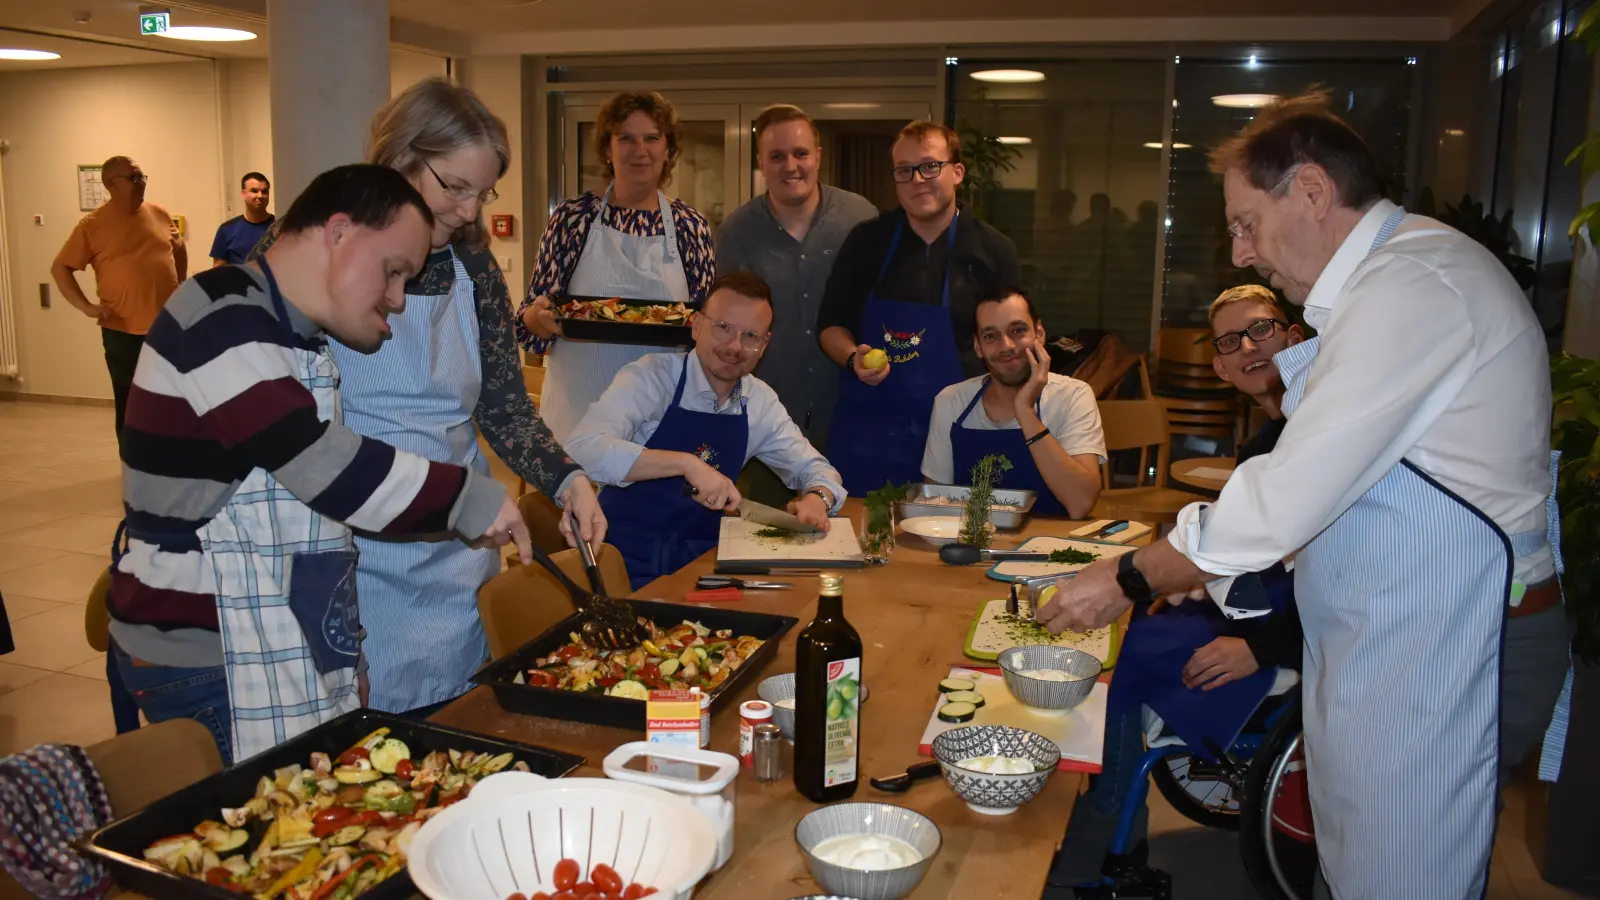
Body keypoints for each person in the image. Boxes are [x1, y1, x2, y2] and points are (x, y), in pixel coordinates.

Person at [1036, 93, 1569, 900]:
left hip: (1456, 638)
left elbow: (1286, 493)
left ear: (1313, 192)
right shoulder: (1378, 290)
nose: (1243, 255)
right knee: (1352, 866)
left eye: (1247, 224)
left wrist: (1126, 578)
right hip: (1394, 634)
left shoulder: (1416, 285)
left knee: (1401, 877)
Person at [108, 164, 533, 764]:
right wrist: (471, 497)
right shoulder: (218, 312)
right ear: (338, 232)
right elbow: (320, 467)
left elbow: (314, 538)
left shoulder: (299, 339)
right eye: (392, 272)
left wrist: (345, 657)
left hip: (284, 636)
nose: (396, 298)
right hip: (208, 655)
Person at [255, 78, 606, 717]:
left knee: (459, 723)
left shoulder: (473, 272)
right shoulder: (313, 267)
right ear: (399, 159)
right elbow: (300, 441)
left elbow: (503, 406)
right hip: (352, 547)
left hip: (457, 548)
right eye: (456, 186)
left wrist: (566, 479)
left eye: (484, 191)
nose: (471, 211)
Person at [1047, 283, 1304, 892]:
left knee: (1126, 662)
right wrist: (1185, 582)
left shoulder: (1312, 439)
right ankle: (1110, 818)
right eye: (1230, 341)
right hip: (1255, 613)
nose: (1249, 348)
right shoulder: (1264, 442)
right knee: (1121, 639)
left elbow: (1342, 579)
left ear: (1295, 337)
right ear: (1219, 364)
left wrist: (1262, 650)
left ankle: (1106, 834)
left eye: (1262, 330)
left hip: (1285, 637)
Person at [565, 272, 847, 589]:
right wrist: (686, 464)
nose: (735, 346)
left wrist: (817, 499)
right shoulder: (650, 379)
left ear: (764, 345)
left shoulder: (759, 402)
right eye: (723, 328)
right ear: (697, 325)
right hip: (621, 566)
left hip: (704, 569)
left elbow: (817, 469)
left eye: (751, 336)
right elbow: (582, 449)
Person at [817, 121, 1022, 494]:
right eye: (904, 170)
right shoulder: (867, 242)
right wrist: (852, 359)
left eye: (930, 166)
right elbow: (830, 325)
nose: (917, 180)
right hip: (869, 436)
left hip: (959, 434)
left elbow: (1011, 347)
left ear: (957, 172)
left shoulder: (993, 251)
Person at [517, 91, 717, 442]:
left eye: (652, 138)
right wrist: (542, 317)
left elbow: (705, 325)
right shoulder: (571, 218)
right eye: (625, 138)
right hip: (578, 411)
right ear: (607, 150)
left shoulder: (690, 226)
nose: (640, 150)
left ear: (668, 150)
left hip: (659, 414)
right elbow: (527, 325)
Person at [715, 104, 877, 456]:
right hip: (764, 429)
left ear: (818, 156)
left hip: (854, 417)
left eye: (800, 153)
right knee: (765, 514)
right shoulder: (736, 233)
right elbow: (723, 331)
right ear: (761, 162)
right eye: (777, 156)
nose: (790, 166)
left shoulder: (860, 218)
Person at [921, 287, 1103, 517]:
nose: (1006, 346)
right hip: (972, 544)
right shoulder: (951, 401)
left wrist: (1024, 411)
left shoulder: (1073, 396)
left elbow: (1081, 504)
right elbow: (934, 506)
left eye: (1017, 331)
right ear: (978, 346)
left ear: (1039, 333)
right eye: (990, 336)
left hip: (1050, 546)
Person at [51, 156, 186, 443]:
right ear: (110, 184)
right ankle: (134, 467)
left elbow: (178, 247)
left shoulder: (158, 214)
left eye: (142, 177)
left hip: (166, 326)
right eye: (133, 178)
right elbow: (60, 268)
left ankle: (168, 463)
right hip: (124, 331)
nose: (141, 184)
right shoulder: (93, 225)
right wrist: (87, 307)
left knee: (170, 398)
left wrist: (181, 285)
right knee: (131, 402)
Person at [210, 172, 274, 266]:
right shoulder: (227, 230)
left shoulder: (279, 226)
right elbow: (218, 272)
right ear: (244, 194)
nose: (260, 196)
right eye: (254, 191)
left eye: (264, 191)